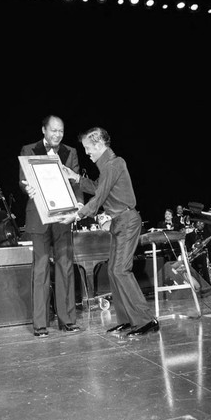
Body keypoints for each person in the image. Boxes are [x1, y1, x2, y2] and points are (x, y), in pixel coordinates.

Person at [60, 126, 159, 337]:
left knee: (121, 270)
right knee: (114, 271)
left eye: (88, 148)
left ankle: (146, 320)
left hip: (127, 221)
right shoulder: (108, 168)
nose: (87, 152)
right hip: (118, 222)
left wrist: (78, 215)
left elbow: (99, 197)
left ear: (98, 144)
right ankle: (127, 320)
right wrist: (76, 178)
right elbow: (98, 187)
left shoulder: (115, 163)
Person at [19, 115, 84, 338]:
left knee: (66, 267)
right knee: (40, 269)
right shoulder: (29, 149)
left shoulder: (71, 152)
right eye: (53, 130)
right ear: (44, 130)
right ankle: (40, 324)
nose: (57, 135)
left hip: (63, 216)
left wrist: (80, 205)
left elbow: (76, 182)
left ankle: (67, 320)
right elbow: (24, 180)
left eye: (61, 131)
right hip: (38, 217)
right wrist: (27, 188)